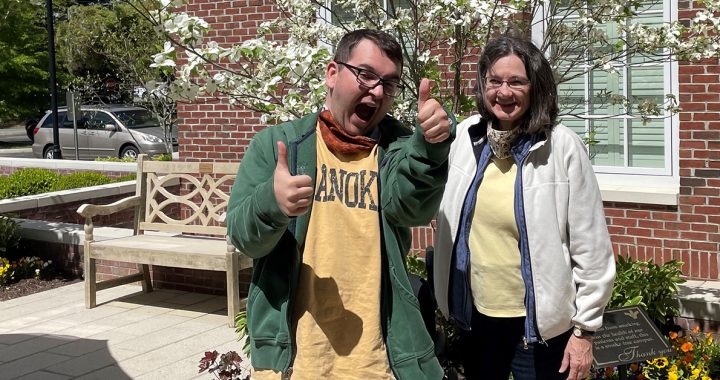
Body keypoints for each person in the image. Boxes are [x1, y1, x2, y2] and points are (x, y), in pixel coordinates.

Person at [226, 28, 454, 379]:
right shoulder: (279, 145)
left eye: (389, 84)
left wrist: (430, 149)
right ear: (332, 74)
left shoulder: (396, 150)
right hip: (296, 362)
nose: (377, 91)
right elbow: (244, 237)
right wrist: (272, 203)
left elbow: (413, 209)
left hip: (378, 363)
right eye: (365, 75)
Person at [432, 35, 616, 380]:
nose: (504, 92)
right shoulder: (465, 137)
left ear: (535, 88)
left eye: (516, 82)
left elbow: (591, 247)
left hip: (540, 330)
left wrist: (584, 332)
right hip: (476, 319)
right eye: (495, 81)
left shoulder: (561, 147)